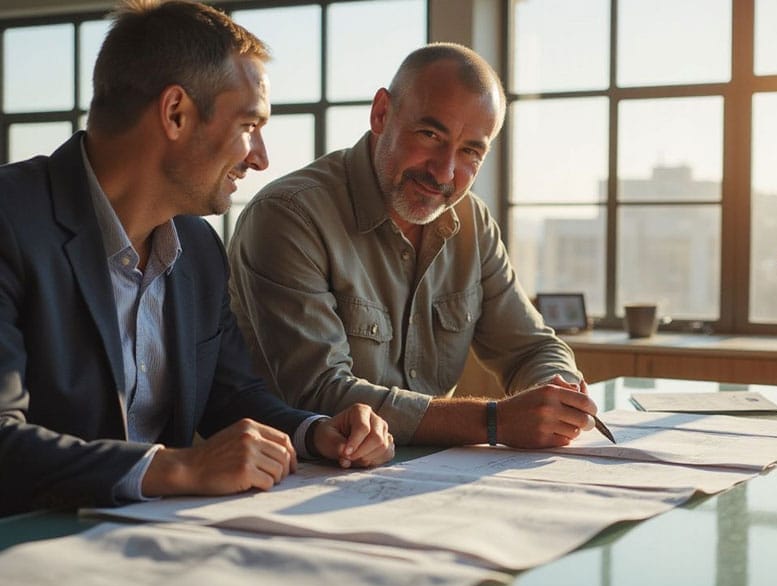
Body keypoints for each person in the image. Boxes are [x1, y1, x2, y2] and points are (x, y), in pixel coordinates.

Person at [0, 0, 393, 517]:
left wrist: (316, 431)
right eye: (250, 124)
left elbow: (231, 397)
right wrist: (181, 468)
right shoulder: (11, 220)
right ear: (176, 113)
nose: (261, 158)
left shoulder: (200, 249)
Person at [228, 42, 599, 450]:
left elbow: (532, 347)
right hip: (298, 478)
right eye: (430, 134)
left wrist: (557, 393)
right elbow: (319, 393)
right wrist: (492, 421)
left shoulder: (472, 222)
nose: (445, 172)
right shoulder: (289, 215)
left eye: (470, 152)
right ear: (382, 114)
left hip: (427, 479)